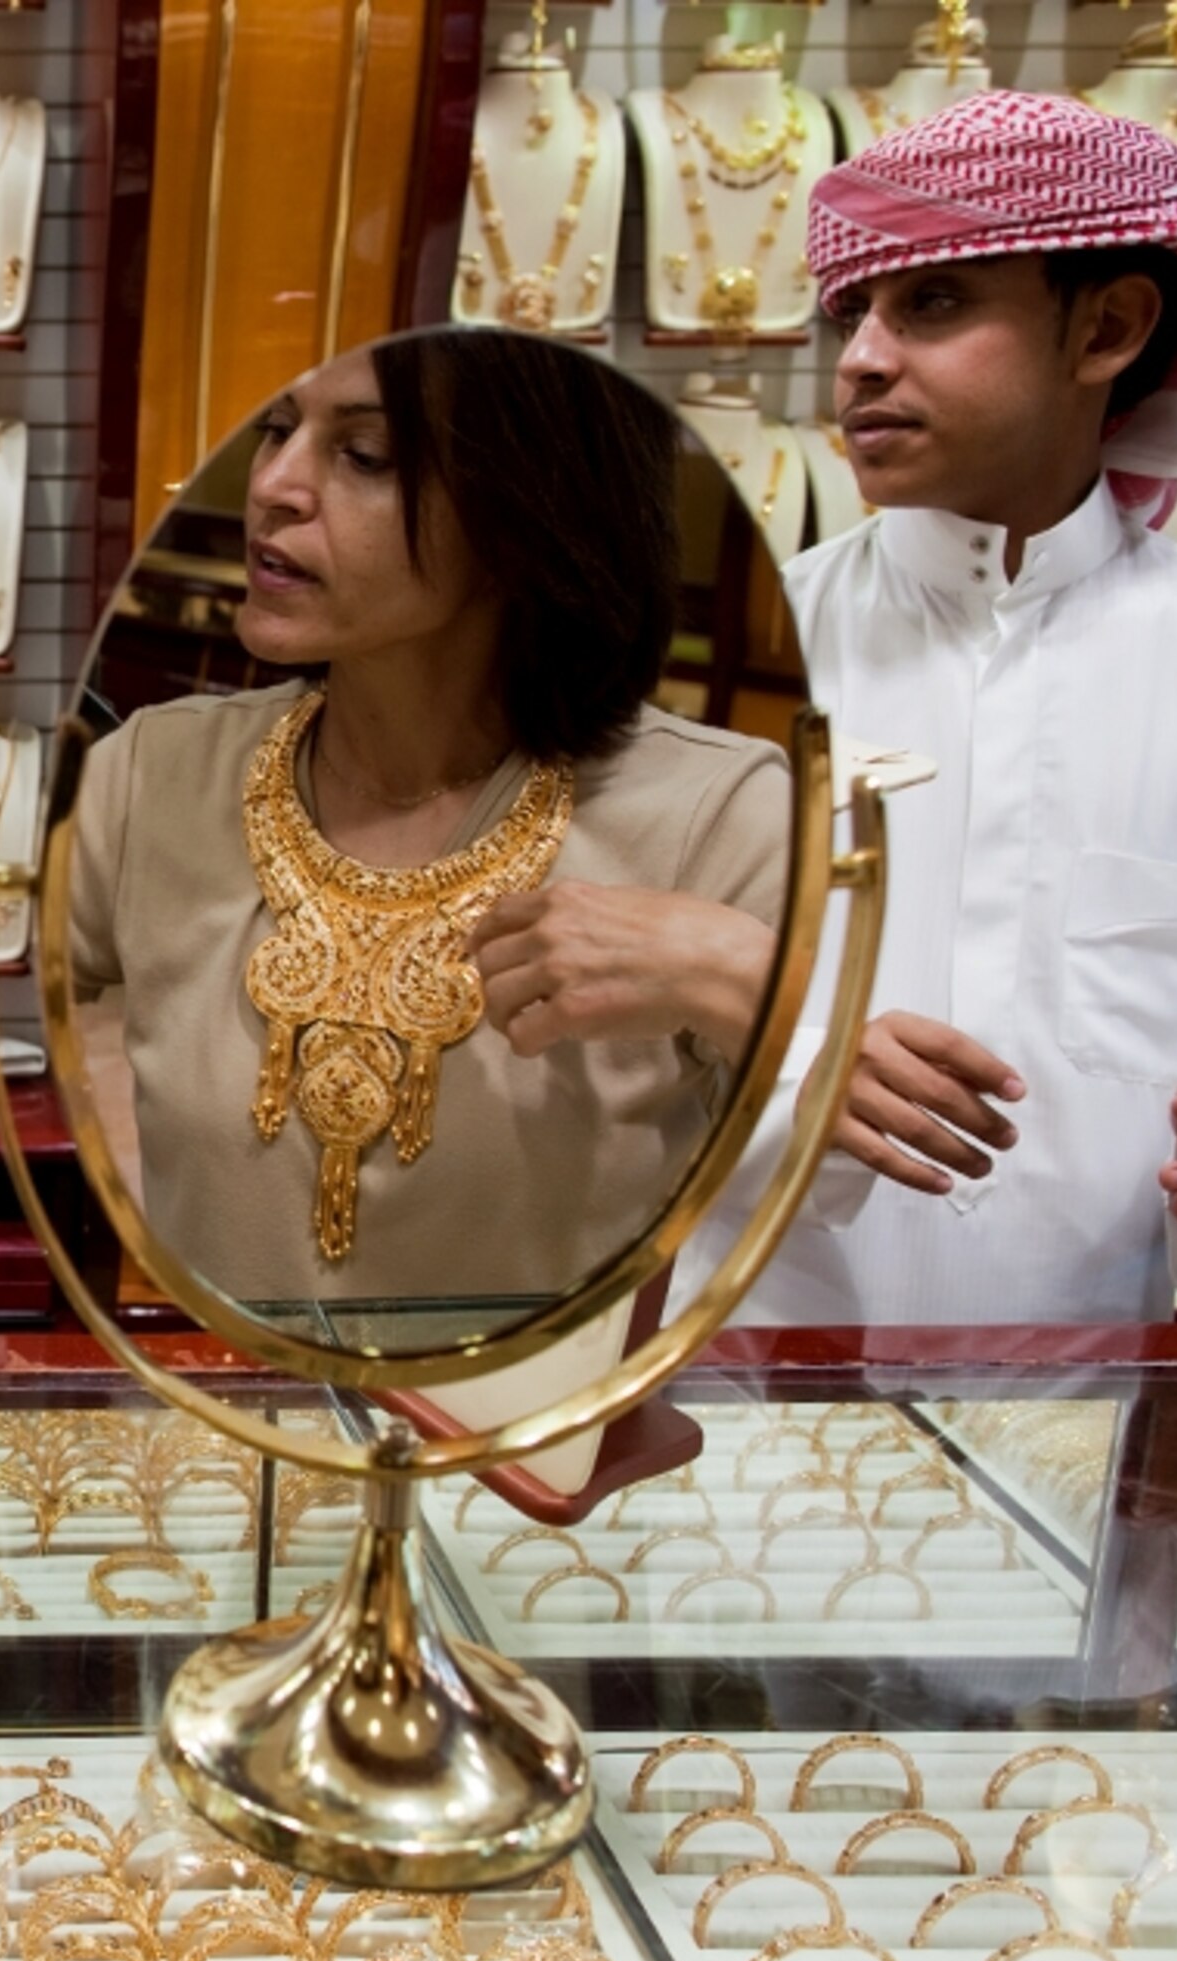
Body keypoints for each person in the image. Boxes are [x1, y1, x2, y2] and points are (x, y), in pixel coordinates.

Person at [684, 92, 1177, 1325]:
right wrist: (791, 1067)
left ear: (1109, 328)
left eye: (930, 304)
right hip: (746, 1412)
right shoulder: (750, 661)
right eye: (852, 313)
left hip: (1089, 1428)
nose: (863, 358)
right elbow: (598, 1028)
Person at [70, 330, 788, 1307]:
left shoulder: (717, 816)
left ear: (528, 505)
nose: (275, 483)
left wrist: (736, 981)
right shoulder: (152, 773)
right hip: (227, 1447)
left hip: (529, 1456)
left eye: (364, 455)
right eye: (275, 430)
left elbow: (827, 1193)